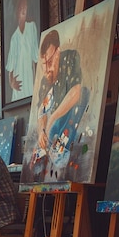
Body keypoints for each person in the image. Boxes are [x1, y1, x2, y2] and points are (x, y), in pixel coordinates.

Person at [29, 29, 88, 182]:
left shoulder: (70, 57)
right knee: (36, 162)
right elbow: (41, 110)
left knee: (84, 94)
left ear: (58, 52)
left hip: (67, 113)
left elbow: (76, 91)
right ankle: (45, 159)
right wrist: (42, 130)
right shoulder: (45, 78)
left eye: (49, 62)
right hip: (53, 123)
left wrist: (52, 118)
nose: (47, 68)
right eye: (43, 64)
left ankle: (60, 151)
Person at [5, 0, 39, 103]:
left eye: (25, 6)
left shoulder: (32, 27)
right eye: (21, 7)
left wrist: (36, 82)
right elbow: (10, 66)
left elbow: (36, 58)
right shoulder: (14, 38)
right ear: (17, 10)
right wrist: (11, 83)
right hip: (19, 84)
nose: (23, 9)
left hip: (30, 80)